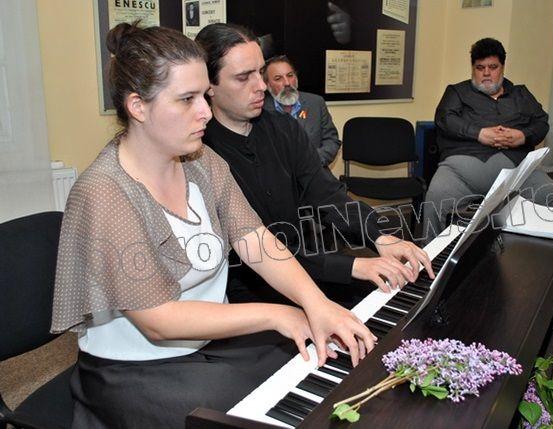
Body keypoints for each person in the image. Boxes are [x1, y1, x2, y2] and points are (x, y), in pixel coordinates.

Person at [50, 23, 376, 428]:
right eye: (186, 99)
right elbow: (160, 321)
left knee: (322, 371)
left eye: (204, 96)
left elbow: (255, 240)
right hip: (132, 371)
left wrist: (315, 303)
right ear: (138, 106)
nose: (205, 112)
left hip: (209, 347)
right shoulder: (103, 192)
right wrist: (279, 314)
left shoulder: (202, 162)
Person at [194, 23, 433, 308]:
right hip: (248, 289)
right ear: (209, 86)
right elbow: (248, 252)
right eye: (244, 77)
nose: (261, 86)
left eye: (260, 72)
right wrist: (350, 265)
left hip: (312, 265)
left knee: (396, 300)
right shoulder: (198, 151)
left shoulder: (285, 129)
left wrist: (379, 236)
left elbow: (325, 193)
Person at [424, 37, 553, 240]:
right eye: (480, 68)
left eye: (493, 67)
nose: (486, 73)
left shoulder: (520, 94)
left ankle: (533, 255)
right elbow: (445, 119)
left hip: (517, 171)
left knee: (548, 190)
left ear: (502, 67)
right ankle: (431, 257)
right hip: (460, 173)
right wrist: (479, 134)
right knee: (435, 198)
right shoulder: (457, 92)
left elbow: (541, 122)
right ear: (473, 69)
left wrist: (523, 136)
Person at [263, 54, 341, 167]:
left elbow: (332, 140)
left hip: (315, 170)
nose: (287, 83)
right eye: (278, 78)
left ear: (296, 78)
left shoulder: (316, 103)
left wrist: (312, 161)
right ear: (267, 84)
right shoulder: (261, 109)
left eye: (290, 75)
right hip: (277, 174)